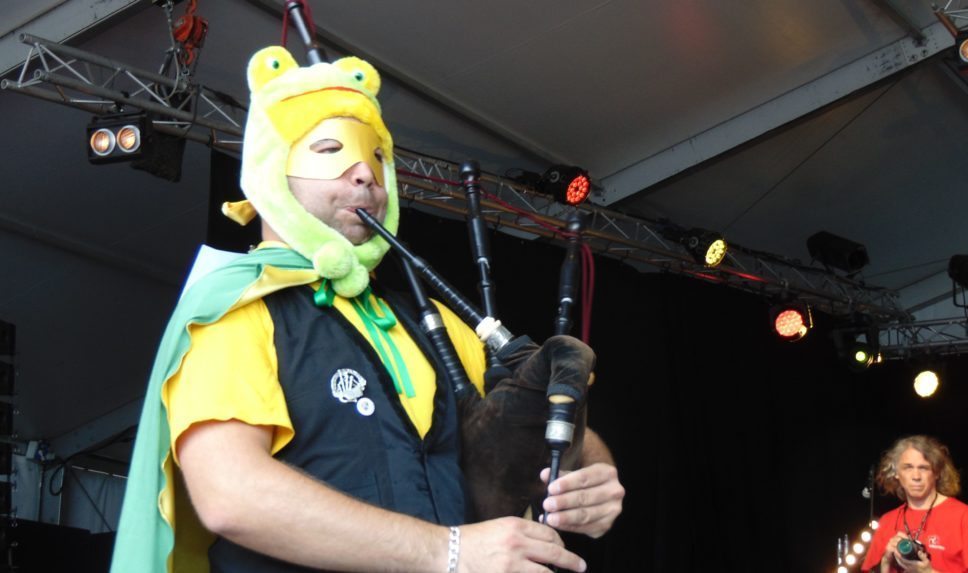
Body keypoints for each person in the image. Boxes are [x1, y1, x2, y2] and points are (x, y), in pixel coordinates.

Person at [109, 46, 623, 573]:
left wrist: (591, 472)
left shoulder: (436, 323)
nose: (366, 176)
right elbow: (231, 493)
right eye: (329, 150)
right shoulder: (234, 311)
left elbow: (527, 424)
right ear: (270, 174)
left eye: (378, 158)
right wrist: (447, 551)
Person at [861, 435, 968, 573]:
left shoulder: (965, 516)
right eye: (908, 467)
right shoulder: (887, 521)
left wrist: (928, 572)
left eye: (924, 468)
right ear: (896, 473)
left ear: (937, 473)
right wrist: (885, 562)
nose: (916, 476)